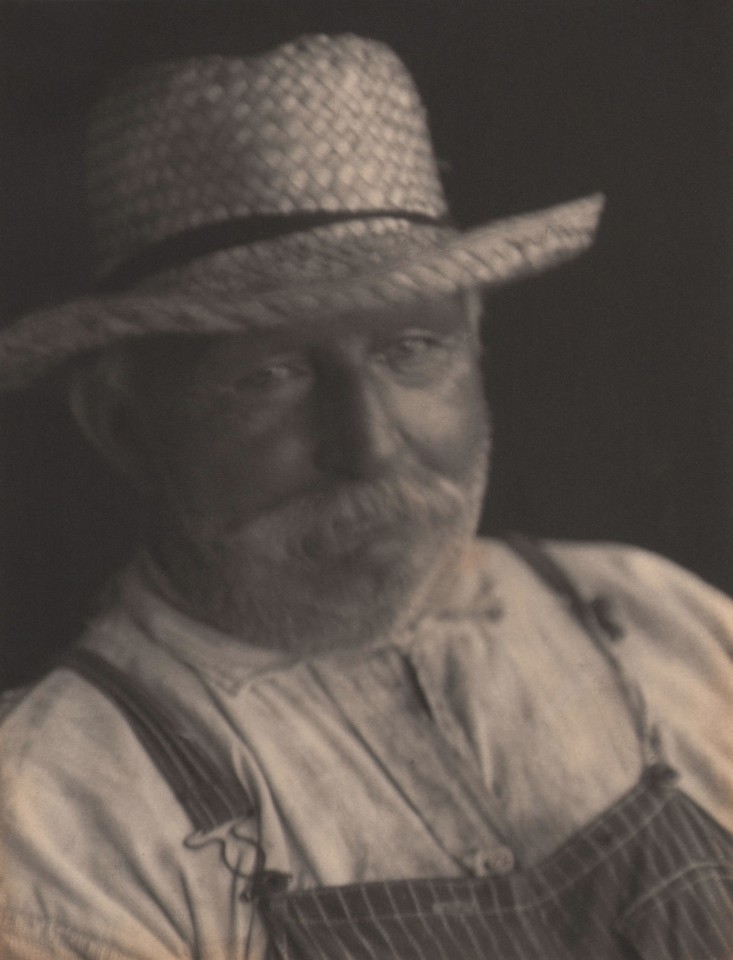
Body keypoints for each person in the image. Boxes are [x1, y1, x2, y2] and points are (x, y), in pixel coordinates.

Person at [0, 32, 731, 960]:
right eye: (270, 374)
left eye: (411, 351)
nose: (367, 445)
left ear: (476, 353)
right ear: (123, 424)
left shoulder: (647, 616)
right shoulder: (55, 817)